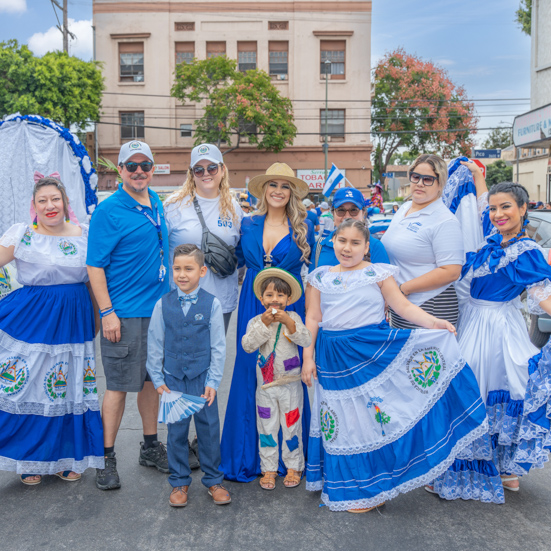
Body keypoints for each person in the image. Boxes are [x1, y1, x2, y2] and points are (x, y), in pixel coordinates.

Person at [303, 219, 487, 512]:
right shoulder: (319, 277)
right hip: (332, 355)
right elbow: (312, 318)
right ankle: (352, 483)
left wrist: (434, 322)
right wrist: (308, 357)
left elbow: (403, 306)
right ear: (332, 242)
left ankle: (377, 484)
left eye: (354, 243)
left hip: (369, 350)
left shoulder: (377, 273)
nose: (347, 248)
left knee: (373, 419)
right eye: (341, 241)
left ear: (367, 248)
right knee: (343, 419)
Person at [428, 182, 551, 502]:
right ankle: (504, 471)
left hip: (496, 329)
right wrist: (475, 175)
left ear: (523, 209)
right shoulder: (492, 241)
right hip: (475, 322)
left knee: (484, 390)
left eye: (506, 207)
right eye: (494, 208)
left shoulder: (526, 250)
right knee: (486, 390)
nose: (498, 214)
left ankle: (501, 469)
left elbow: (541, 291)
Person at [0, 173, 103, 484]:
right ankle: (27, 459)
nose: (49, 206)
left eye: (55, 199)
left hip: (73, 321)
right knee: (24, 385)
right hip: (29, 321)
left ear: (65, 203)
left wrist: (100, 317)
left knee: (66, 387)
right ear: (34, 206)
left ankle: (63, 457)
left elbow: (96, 278)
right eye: (42, 201)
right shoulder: (22, 234)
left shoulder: (85, 234)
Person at [220, 162, 314, 482]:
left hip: (291, 304)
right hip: (253, 302)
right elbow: (233, 260)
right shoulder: (247, 224)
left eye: (285, 186)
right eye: (272, 184)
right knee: (250, 370)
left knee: (287, 377)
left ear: (291, 193)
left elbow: (316, 269)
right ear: (263, 190)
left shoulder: (304, 225)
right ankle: (251, 457)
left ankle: (293, 461)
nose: (278, 191)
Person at [87, 140, 170, 491]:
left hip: (158, 313)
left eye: (145, 165)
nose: (139, 171)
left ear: (152, 168)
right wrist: (107, 312)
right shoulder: (109, 211)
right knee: (119, 386)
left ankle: (150, 446)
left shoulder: (158, 203)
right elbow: (95, 266)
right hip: (124, 314)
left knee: (152, 383)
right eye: (131, 165)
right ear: (120, 170)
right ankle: (106, 458)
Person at [146, 244, 230, 507]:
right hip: (172, 379)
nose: (182, 274)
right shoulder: (163, 304)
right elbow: (155, 342)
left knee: (208, 430)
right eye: (177, 269)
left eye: (188, 269)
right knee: (176, 432)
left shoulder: (212, 304)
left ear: (202, 271)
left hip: (202, 378)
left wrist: (213, 381)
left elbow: (218, 346)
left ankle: (214, 480)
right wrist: (158, 380)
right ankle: (179, 481)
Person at [242, 268, 312, 490]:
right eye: (270, 295)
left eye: (280, 295)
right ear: (261, 298)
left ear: (289, 299)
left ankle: (294, 466)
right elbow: (247, 345)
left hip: (290, 386)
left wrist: (289, 324)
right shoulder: (256, 321)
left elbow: (306, 339)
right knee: (266, 427)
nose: (275, 300)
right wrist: (263, 324)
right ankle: (269, 468)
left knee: (292, 426)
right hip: (266, 387)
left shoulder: (294, 318)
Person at [164, 143, 243, 334]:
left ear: (222, 170)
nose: (206, 173)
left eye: (212, 168)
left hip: (220, 301)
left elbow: (243, 249)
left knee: (215, 360)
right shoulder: (174, 206)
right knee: (183, 360)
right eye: (199, 170)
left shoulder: (234, 208)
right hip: (181, 300)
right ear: (192, 174)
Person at [382, 154, 464, 328]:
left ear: (440, 184)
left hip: (430, 306)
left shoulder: (444, 221)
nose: (419, 183)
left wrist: (403, 289)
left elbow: (451, 271)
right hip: (402, 303)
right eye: (416, 176)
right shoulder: (404, 208)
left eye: (428, 179)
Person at [309, 187, 389, 274]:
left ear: (363, 214)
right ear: (333, 214)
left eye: (354, 210)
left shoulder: (376, 247)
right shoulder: (320, 246)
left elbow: (386, 284)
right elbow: (311, 285)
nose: (347, 216)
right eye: (341, 210)